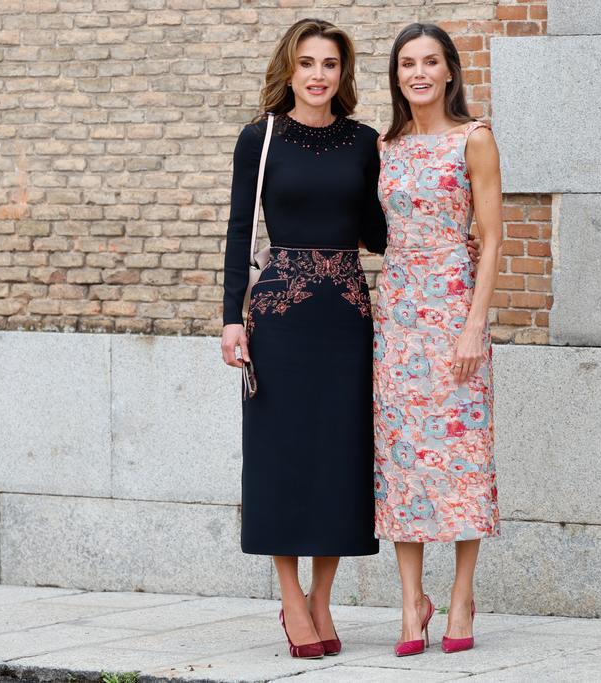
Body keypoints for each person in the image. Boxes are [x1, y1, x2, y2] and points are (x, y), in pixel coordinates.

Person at [219, 18, 386, 660]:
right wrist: (232, 317)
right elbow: (239, 231)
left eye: (331, 65)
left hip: (346, 315)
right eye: (308, 62)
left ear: (344, 75)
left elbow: (377, 230)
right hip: (279, 316)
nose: (319, 75)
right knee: (282, 453)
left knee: (340, 455)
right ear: (289, 69)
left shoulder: (365, 141)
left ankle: (323, 598)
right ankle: (291, 598)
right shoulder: (258, 139)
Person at [372, 22, 503, 657]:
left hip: (454, 309)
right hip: (397, 315)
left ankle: (461, 595)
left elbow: (494, 237)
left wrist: (476, 323)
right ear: (396, 77)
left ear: (449, 70)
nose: (418, 73)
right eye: (406, 65)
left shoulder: (474, 139)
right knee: (404, 459)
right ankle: (409, 601)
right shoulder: (385, 146)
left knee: (462, 454)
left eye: (429, 62)